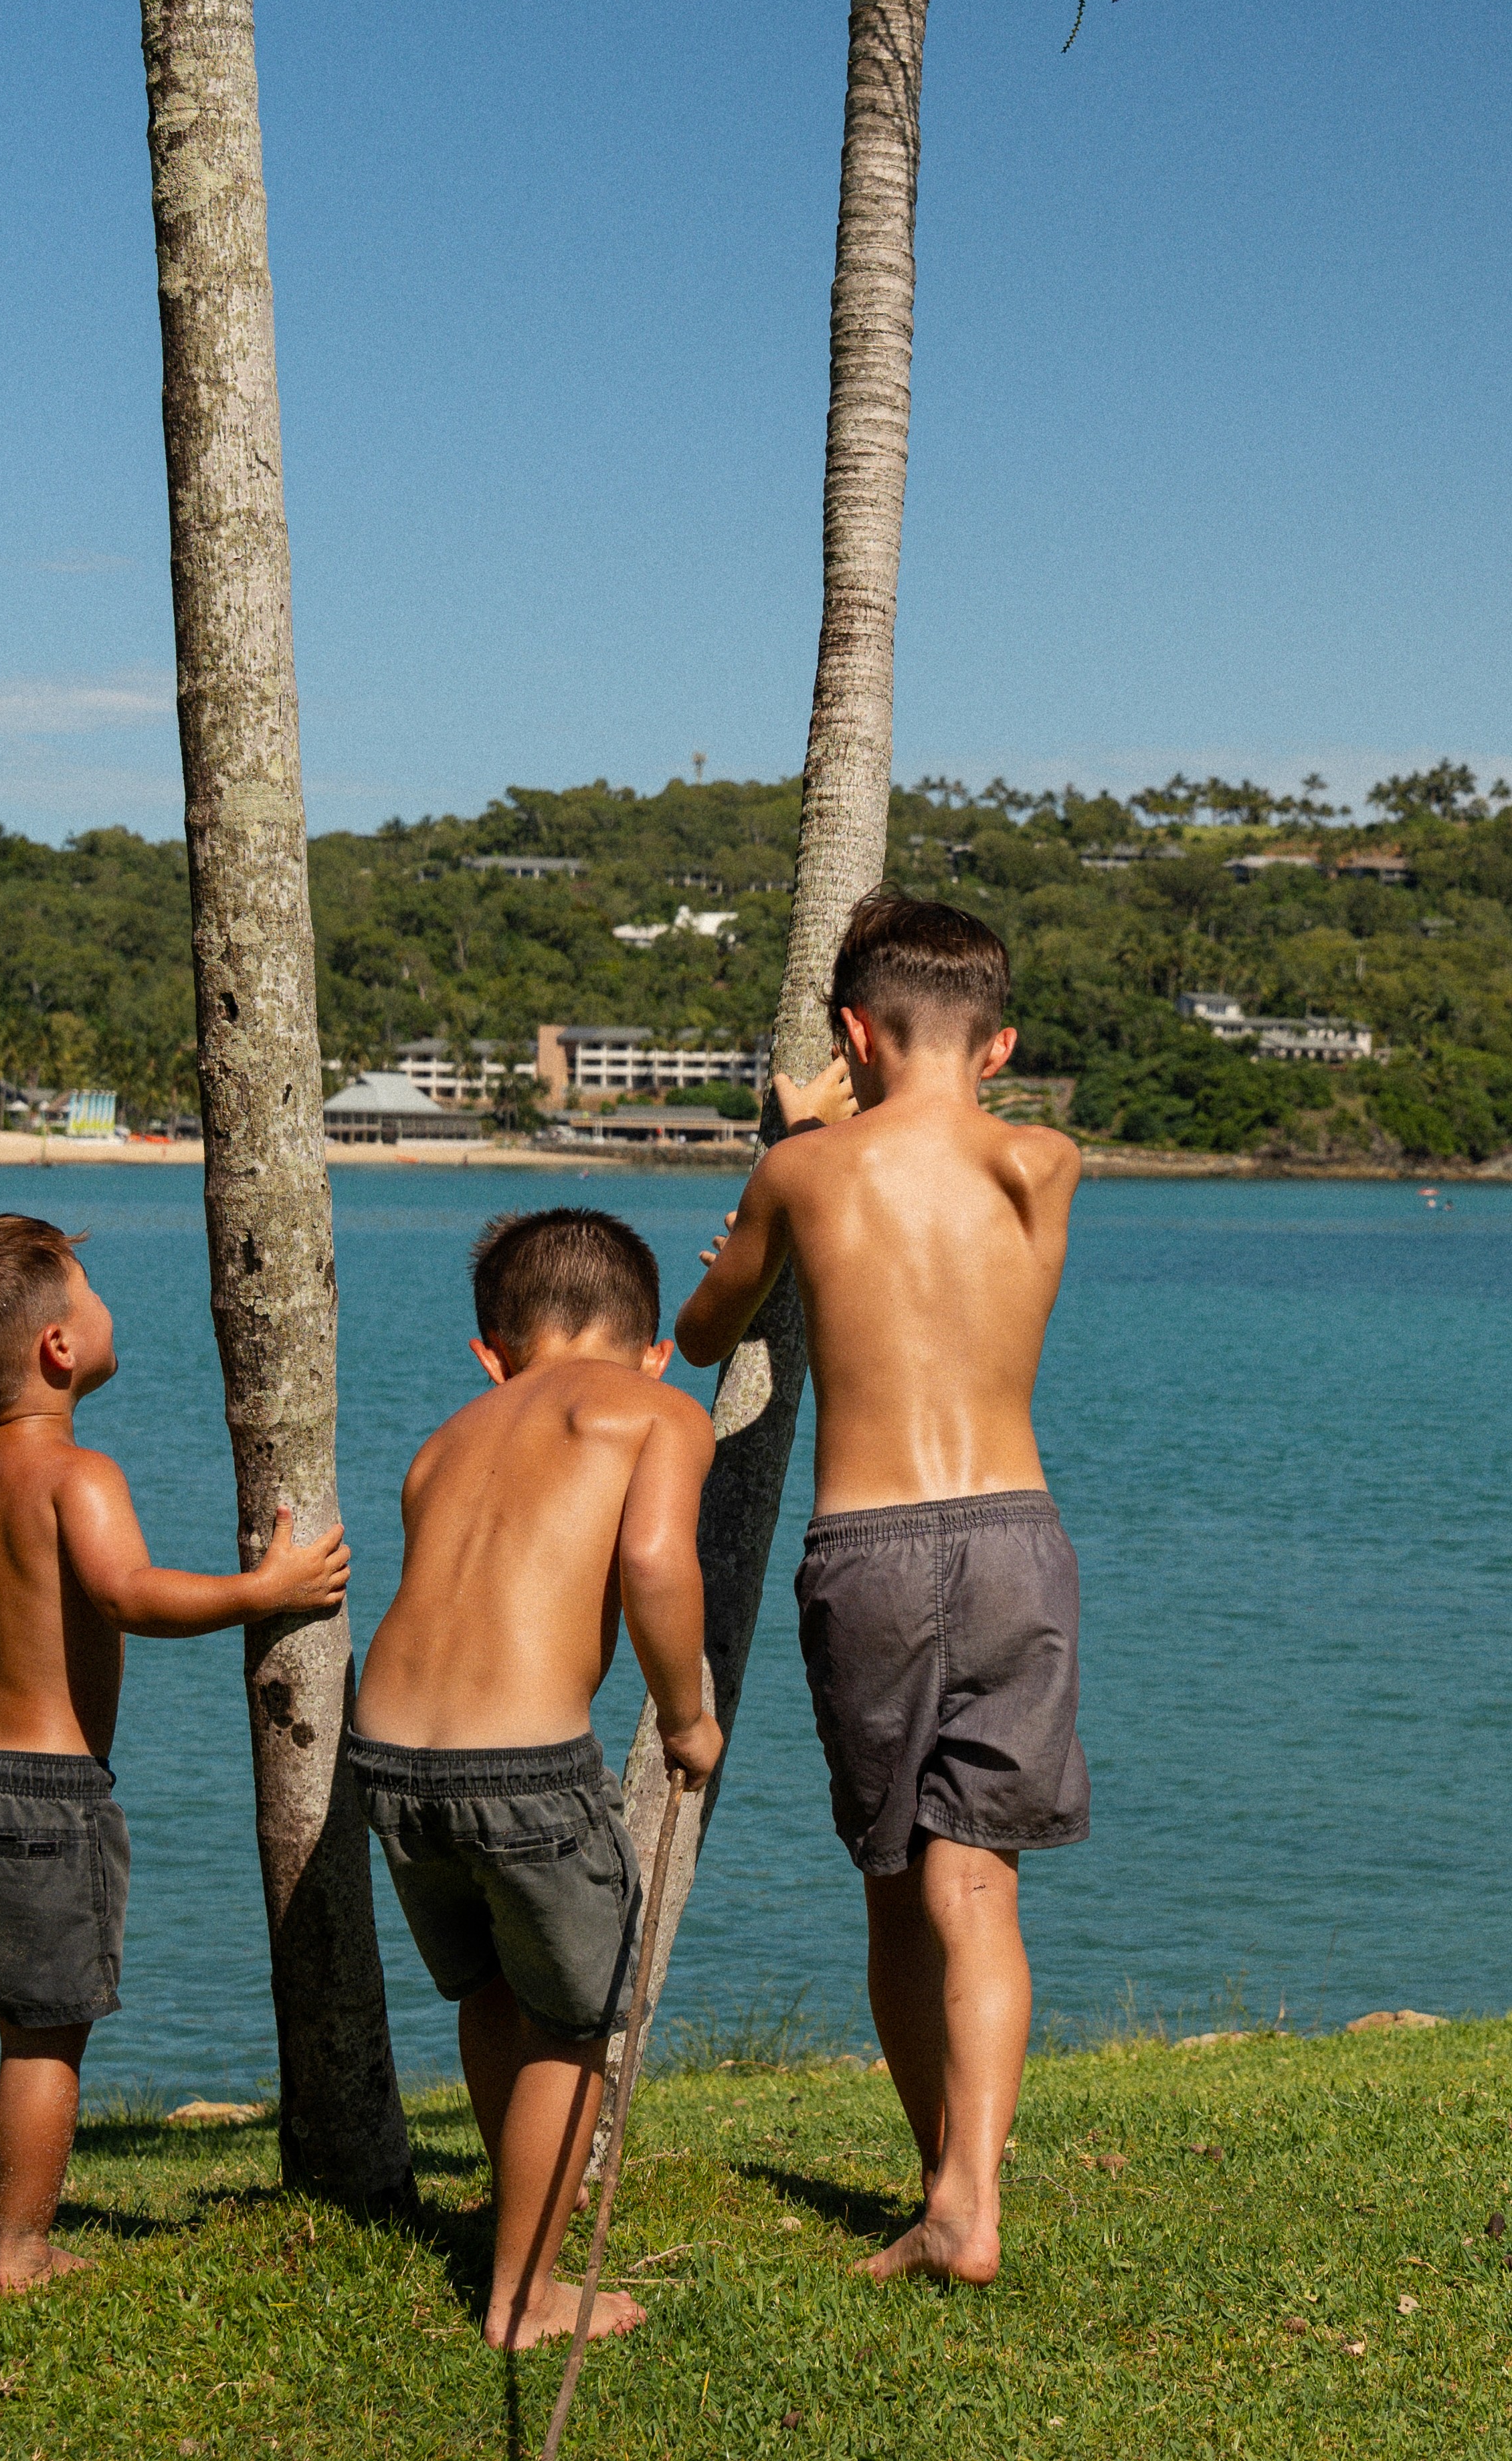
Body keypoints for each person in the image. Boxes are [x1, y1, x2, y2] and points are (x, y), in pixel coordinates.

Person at [0, 1213, 349, 2294]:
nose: (106, 1311)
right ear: (59, 1347)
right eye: (92, 1295)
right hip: (44, 1802)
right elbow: (126, 1594)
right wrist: (262, 1592)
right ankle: (22, 2245)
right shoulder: (79, 1475)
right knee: (46, 2034)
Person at [675, 891, 1085, 2288]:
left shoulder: (807, 1172)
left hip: (874, 1548)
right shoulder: (1047, 1160)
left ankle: (945, 2192)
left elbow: (701, 1329)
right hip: (1021, 1534)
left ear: (853, 1033)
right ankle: (969, 2191)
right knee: (985, 1888)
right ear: (1002, 1045)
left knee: (897, 1879)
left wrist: (790, 1138)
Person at [351, 1210, 723, 2351]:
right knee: (575, 2028)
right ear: (654, 1348)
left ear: (491, 1352)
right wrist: (686, 1713)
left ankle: (517, 2225)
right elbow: (656, 1562)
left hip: (391, 1758)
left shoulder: (444, 1440)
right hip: (526, 1768)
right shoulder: (661, 1409)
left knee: (489, 1994)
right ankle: (524, 2295)